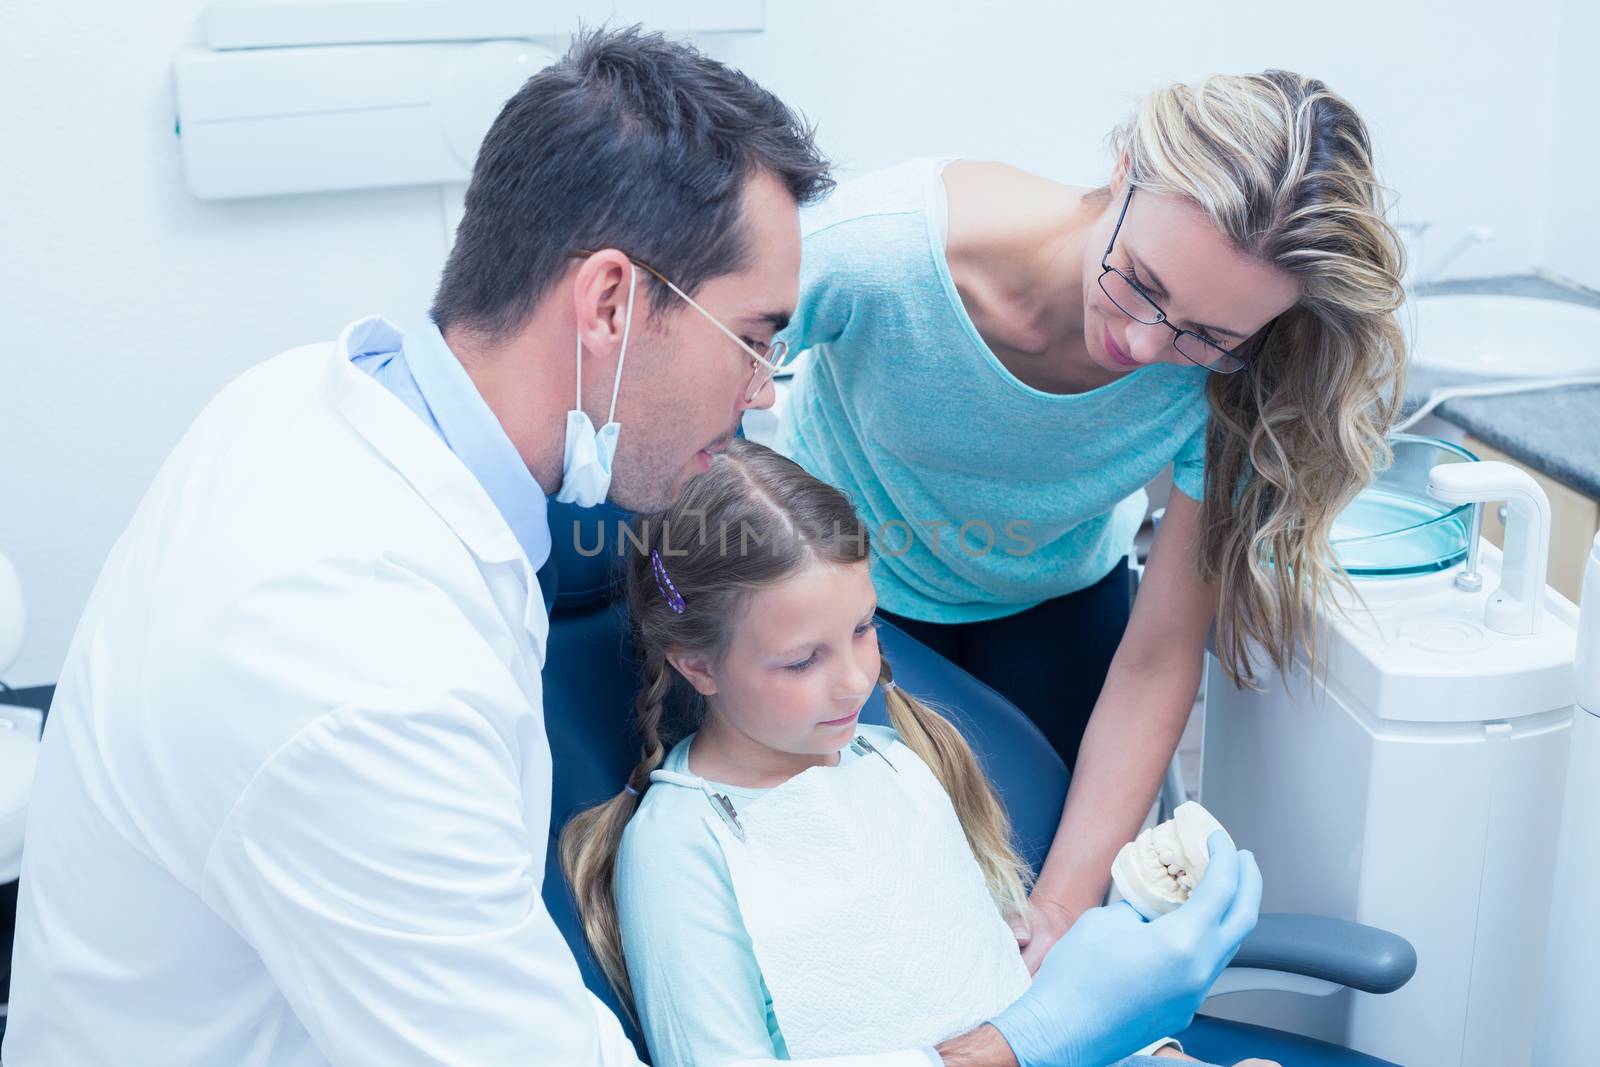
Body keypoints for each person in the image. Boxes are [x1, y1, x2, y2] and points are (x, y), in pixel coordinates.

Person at [3, 27, 1258, 1067]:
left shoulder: (310, 402)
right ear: (610, 301)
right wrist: (1041, 1038)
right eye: (761, 334)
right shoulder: (359, 681)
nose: (769, 393)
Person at [771, 73, 1406, 967]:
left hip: (1059, 600)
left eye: (1207, 334)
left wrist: (1063, 913)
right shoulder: (880, 252)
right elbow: (692, 397)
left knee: (1037, 915)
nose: (1147, 347)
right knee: (895, 917)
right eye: (1139, 281)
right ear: (1123, 171)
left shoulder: (1241, 379)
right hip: (857, 598)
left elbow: (1158, 654)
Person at [561, 439, 1269, 1067]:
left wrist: (1148, 1046)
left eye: (865, 628)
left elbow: (1011, 986)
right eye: (802, 660)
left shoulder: (900, 761)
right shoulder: (681, 845)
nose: (854, 679)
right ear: (699, 666)